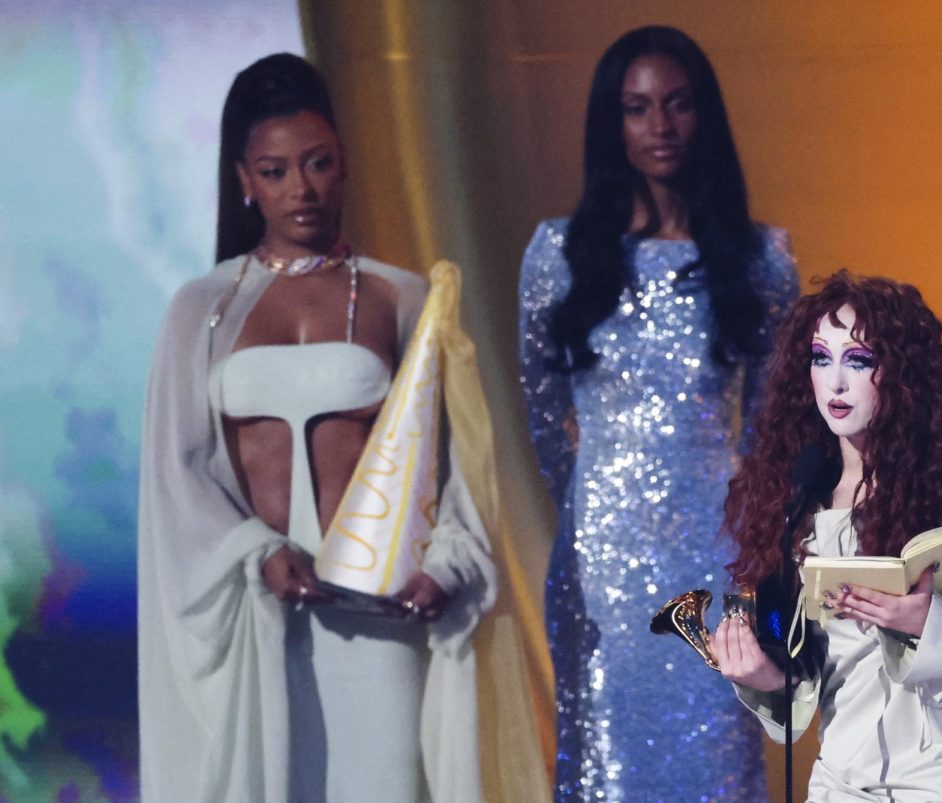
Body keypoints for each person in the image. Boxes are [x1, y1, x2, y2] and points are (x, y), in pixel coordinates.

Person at [137, 53, 495, 803]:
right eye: (273, 171)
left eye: (317, 163)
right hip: (258, 626)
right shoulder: (197, 309)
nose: (300, 188)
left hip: (378, 625)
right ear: (242, 178)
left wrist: (448, 568)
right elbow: (177, 473)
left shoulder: (405, 298)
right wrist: (256, 552)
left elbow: (459, 468)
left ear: (343, 161)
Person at [519, 25, 798, 802]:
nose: (660, 127)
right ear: (612, 125)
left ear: (704, 114)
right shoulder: (559, 254)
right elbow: (542, 413)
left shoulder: (760, 259)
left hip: (716, 551)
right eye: (637, 108)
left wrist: (747, 537)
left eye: (677, 105)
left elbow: (773, 427)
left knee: (717, 758)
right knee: (610, 759)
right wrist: (587, 509)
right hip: (601, 553)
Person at [709, 271, 942, 802]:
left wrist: (930, 626)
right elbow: (816, 681)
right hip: (848, 785)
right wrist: (764, 675)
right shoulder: (797, 498)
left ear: (902, 374)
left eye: (858, 361)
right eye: (820, 358)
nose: (835, 382)